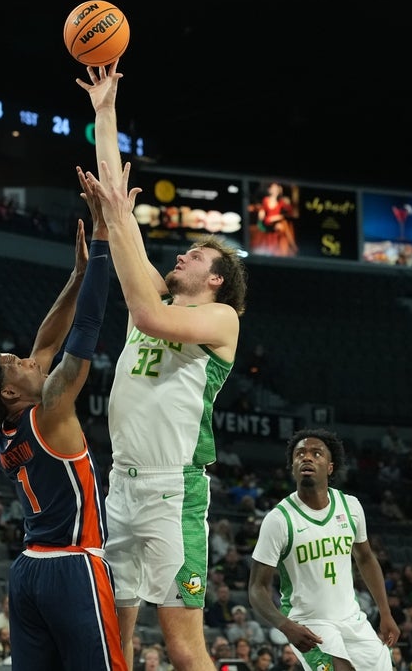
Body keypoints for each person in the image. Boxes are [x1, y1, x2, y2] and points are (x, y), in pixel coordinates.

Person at [79, 63, 248, 671]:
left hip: (174, 490)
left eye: (195, 255)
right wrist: (104, 111)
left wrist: (120, 225)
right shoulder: (157, 294)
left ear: (217, 279)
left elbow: (146, 315)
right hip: (121, 483)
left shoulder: (220, 320)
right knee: (113, 639)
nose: (182, 255)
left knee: (182, 648)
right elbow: (117, 206)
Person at [0, 175, 125, 671]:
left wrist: (76, 276)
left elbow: (46, 342)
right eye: (15, 363)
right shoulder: (50, 411)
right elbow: (86, 329)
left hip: (28, 571)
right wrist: (102, 238)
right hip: (73, 565)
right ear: (10, 393)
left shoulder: (6, 433)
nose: (28, 359)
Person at [247, 428, 400, 671]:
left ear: (330, 467)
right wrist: (286, 626)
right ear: (293, 467)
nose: (306, 457)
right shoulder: (279, 519)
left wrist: (385, 612)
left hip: (352, 620)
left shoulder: (350, 506)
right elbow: (257, 588)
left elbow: (365, 558)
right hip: (309, 622)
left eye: (316, 453)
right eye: (299, 454)